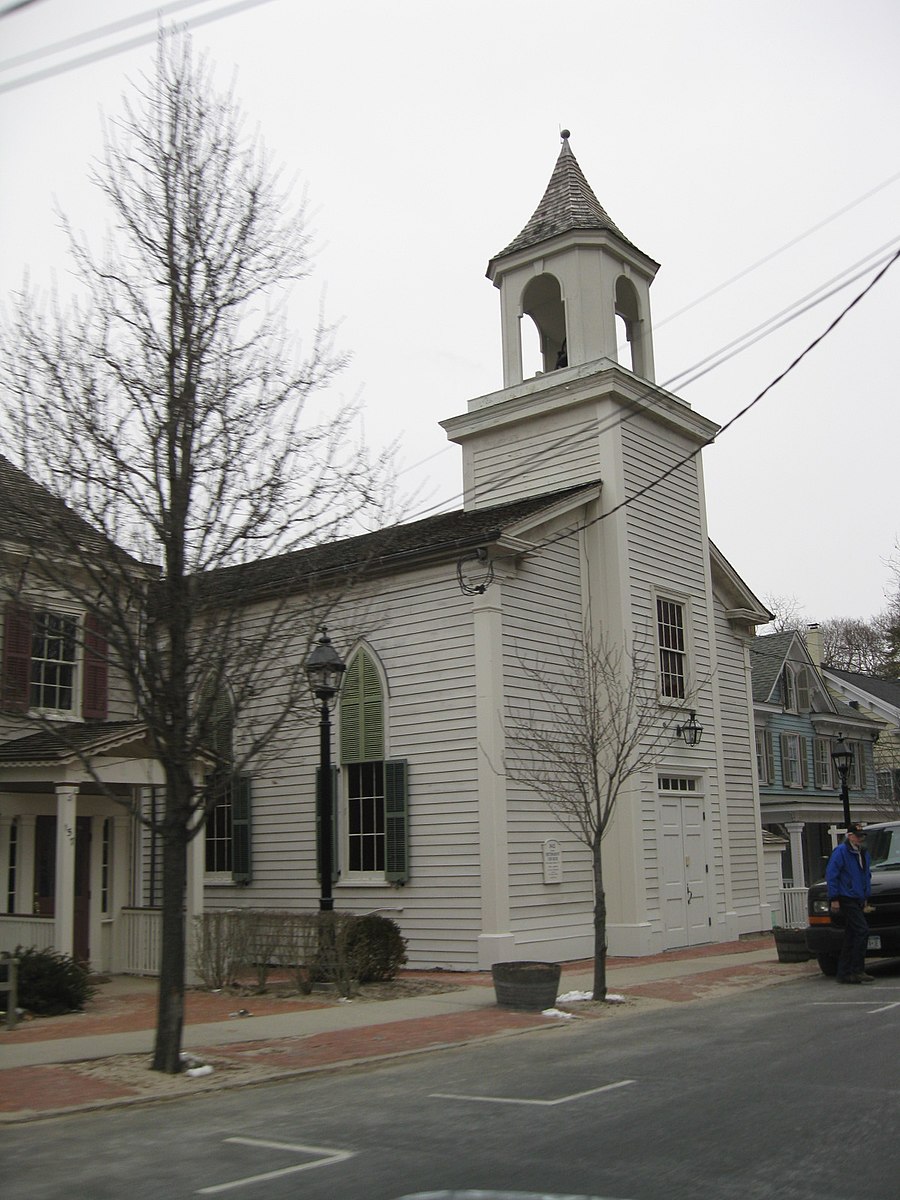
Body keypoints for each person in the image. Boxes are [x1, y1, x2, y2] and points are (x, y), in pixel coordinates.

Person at [825, 822, 874, 984]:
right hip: (846, 897)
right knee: (862, 930)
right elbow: (832, 875)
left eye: (862, 836)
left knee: (851, 934)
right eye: (858, 836)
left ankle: (844, 972)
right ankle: (857, 969)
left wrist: (865, 895)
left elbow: (865, 875)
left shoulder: (862, 853)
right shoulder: (841, 852)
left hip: (857, 897)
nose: (860, 839)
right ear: (850, 836)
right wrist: (834, 898)